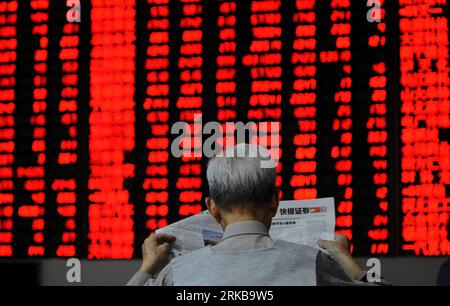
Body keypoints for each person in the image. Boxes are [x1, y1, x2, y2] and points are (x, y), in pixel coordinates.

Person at [128, 143, 382, 286]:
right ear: (274, 202)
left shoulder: (178, 272)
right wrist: (346, 261)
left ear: (212, 208)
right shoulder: (312, 263)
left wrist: (147, 268)